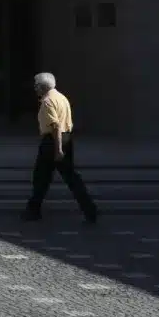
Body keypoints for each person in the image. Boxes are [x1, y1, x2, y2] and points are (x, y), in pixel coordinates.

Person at [23, 71, 97, 223]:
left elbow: (55, 126)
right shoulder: (62, 98)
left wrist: (58, 150)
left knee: (41, 177)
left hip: (53, 141)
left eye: (36, 86)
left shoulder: (47, 101)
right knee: (71, 177)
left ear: (42, 86)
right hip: (66, 138)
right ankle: (90, 210)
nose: (35, 89)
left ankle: (33, 211)